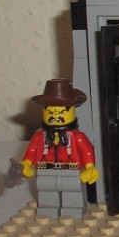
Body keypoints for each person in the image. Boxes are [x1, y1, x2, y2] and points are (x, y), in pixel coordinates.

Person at [20, 78, 99, 219]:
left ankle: (73, 213)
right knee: (46, 192)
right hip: (45, 169)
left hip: (72, 170)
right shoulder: (39, 137)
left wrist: (89, 167)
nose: (55, 116)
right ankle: (47, 213)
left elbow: (87, 150)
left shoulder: (77, 137)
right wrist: (26, 164)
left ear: (72, 111)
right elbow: (32, 151)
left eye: (61, 112)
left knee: (72, 193)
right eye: (51, 112)